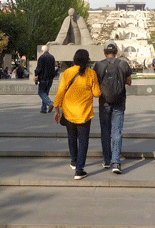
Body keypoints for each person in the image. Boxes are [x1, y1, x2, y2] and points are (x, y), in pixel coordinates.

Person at [53, 49, 101, 180]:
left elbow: (60, 91)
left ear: (74, 59)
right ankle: (80, 170)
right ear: (87, 59)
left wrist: (56, 109)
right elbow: (97, 93)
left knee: (71, 137)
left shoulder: (67, 72)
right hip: (84, 113)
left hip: (68, 111)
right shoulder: (91, 73)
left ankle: (74, 161)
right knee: (83, 141)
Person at [93, 41, 132, 174]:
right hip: (119, 101)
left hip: (104, 102)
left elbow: (95, 84)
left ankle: (106, 160)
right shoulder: (123, 64)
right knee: (117, 131)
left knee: (105, 131)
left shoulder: (98, 65)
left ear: (104, 52)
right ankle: (116, 162)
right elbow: (129, 82)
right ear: (116, 52)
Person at [34, 45, 56, 114]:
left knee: (41, 92)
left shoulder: (41, 57)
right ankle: (43, 109)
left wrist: (36, 74)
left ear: (42, 51)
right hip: (50, 79)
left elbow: (39, 68)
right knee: (45, 93)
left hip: (43, 78)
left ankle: (49, 103)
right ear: (48, 50)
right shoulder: (52, 57)